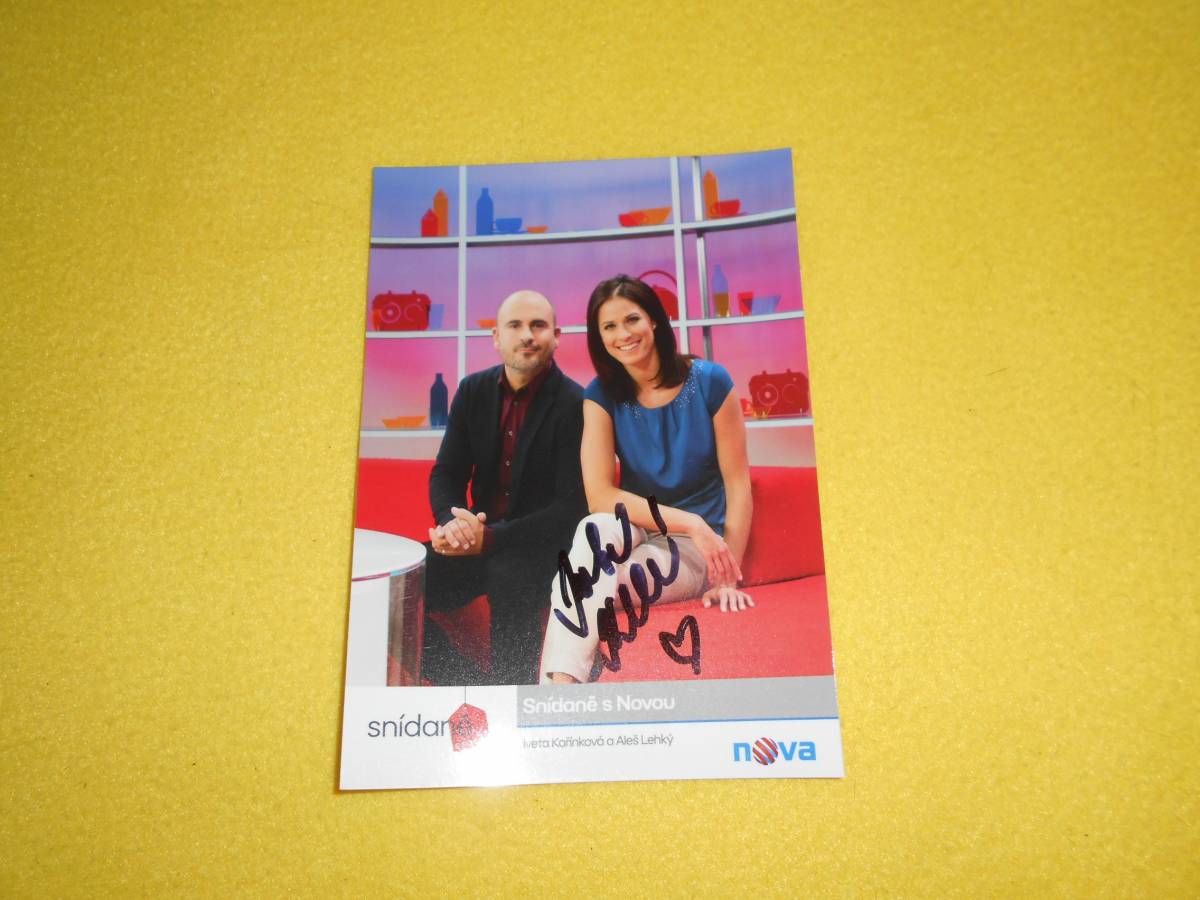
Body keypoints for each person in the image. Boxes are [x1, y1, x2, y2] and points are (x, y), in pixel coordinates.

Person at [540, 274, 754, 684]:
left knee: (582, 582)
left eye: (632, 319)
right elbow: (600, 497)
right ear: (599, 337)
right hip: (639, 526)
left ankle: (557, 693)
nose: (623, 334)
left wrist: (727, 571)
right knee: (593, 529)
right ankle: (562, 695)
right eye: (609, 326)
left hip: (692, 548)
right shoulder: (600, 395)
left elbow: (738, 483)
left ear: (654, 320)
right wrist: (690, 520)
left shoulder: (711, 382)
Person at [423, 290, 586, 685]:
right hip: (478, 542)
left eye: (538, 325)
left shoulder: (576, 403)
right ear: (496, 337)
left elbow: (570, 508)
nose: (527, 335)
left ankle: (512, 695)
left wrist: (492, 538)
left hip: (542, 549)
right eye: (515, 325)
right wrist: (452, 524)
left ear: (557, 336)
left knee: (511, 577)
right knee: (402, 584)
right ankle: (468, 686)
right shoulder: (472, 391)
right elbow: (446, 473)